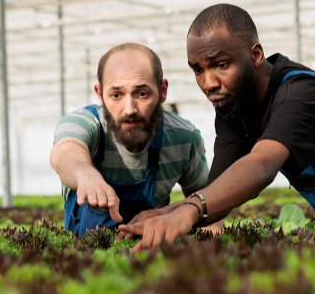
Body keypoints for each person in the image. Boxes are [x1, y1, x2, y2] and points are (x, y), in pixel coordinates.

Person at [119, 3, 315, 249]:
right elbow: (218, 193)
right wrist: (169, 213)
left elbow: (261, 165)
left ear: (256, 55)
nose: (209, 83)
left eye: (221, 65)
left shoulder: (300, 96)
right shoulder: (234, 106)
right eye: (198, 70)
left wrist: (189, 210)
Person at [50, 42, 210, 237]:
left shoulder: (185, 139)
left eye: (142, 94)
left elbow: (207, 203)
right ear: (100, 95)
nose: (129, 110)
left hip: (152, 258)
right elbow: (66, 151)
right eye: (116, 95)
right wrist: (85, 175)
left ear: (163, 90)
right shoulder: (85, 123)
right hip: (87, 259)